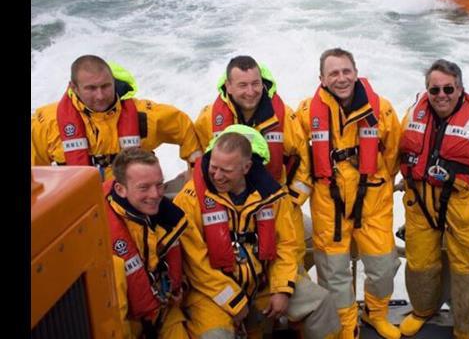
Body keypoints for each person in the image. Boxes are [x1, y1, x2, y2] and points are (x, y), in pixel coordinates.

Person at [173, 125, 341, 339]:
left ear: (246, 167)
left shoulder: (273, 196)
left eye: (226, 170)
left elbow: (287, 246)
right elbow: (196, 266)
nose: (217, 175)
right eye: (213, 167)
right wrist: (233, 301)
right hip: (213, 293)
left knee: (321, 303)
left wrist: (282, 289)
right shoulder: (188, 200)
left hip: (262, 282)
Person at [295, 48, 402, 339]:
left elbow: (393, 154)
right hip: (329, 206)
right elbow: (301, 161)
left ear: (355, 72)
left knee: (383, 267)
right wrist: (294, 200)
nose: (341, 78)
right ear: (322, 78)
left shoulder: (382, 109)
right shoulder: (305, 113)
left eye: (346, 71)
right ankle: (345, 328)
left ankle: (375, 313)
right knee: (334, 275)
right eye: (334, 73)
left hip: (373, 204)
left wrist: (378, 183)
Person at [398, 59, 469, 339]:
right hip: (420, 202)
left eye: (448, 89)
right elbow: (398, 152)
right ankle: (422, 310)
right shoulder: (414, 113)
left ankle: (465, 326)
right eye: (434, 90)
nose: (441, 95)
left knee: (466, 269)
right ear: (427, 91)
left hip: (463, 206)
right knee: (419, 261)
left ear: (460, 89)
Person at [194, 55, 312, 266]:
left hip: (276, 200)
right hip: (226, 205)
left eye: (255, 84)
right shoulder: (209, 118)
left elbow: (303, 158)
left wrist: (292, 200)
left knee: (292, 261)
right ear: (228, 87)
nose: (251, 91)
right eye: (242, 85)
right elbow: (201, 158)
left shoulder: (284, 116)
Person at [31, 55, 202, 181]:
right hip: (80, 209)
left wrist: (193, 177)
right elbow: (35, 176)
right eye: (91, 88)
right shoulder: (46, 123)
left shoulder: (143, 115)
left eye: (105, 86)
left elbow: (184, 129)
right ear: (73, 87)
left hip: (135, 204)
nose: (100, 96)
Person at [104, 147, 189, 339]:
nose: (155, 194)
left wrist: (179, 285)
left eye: (160, 185)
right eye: (144, 188)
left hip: (166, 310)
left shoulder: (170, 217)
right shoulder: (99, 232)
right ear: (120, 189)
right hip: (130, 323)